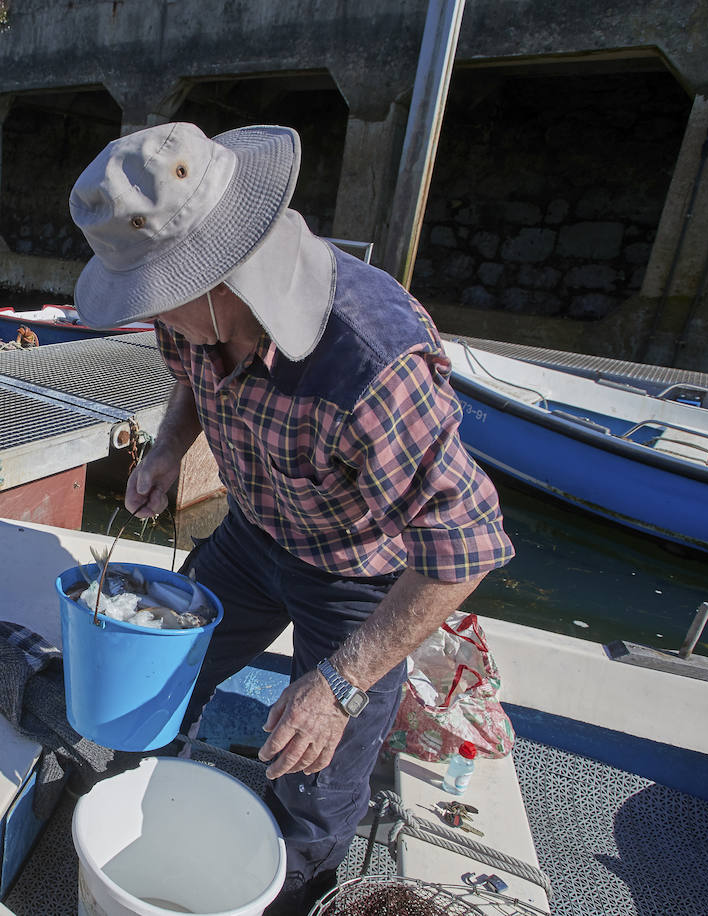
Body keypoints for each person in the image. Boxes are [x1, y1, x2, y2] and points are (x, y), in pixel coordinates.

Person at [68, 122, 515, 912]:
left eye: (158, 303)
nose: (154, 322)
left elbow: (466, 545)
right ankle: (135, 797)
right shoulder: (198, 319)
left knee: (309, 769)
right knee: (164, 677)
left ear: (214, 277)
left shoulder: (377, 366)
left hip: (361, 582)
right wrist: (170, 448)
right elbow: (193, 374)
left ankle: (293, 884)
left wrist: (340, 684)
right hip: (251, 536)